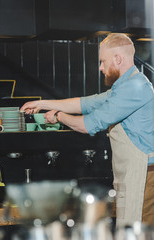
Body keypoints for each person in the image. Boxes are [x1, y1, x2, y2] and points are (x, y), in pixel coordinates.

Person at [21, 33, 154, 227]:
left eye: (103, 61)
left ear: (118, 58)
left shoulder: (135, 87)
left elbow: (88, 124)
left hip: (144, 177)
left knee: (138, 233)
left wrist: (58, 117)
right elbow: (85, 103)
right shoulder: (124, 87)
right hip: (134, 176)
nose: (100, 67)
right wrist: (42, 104)